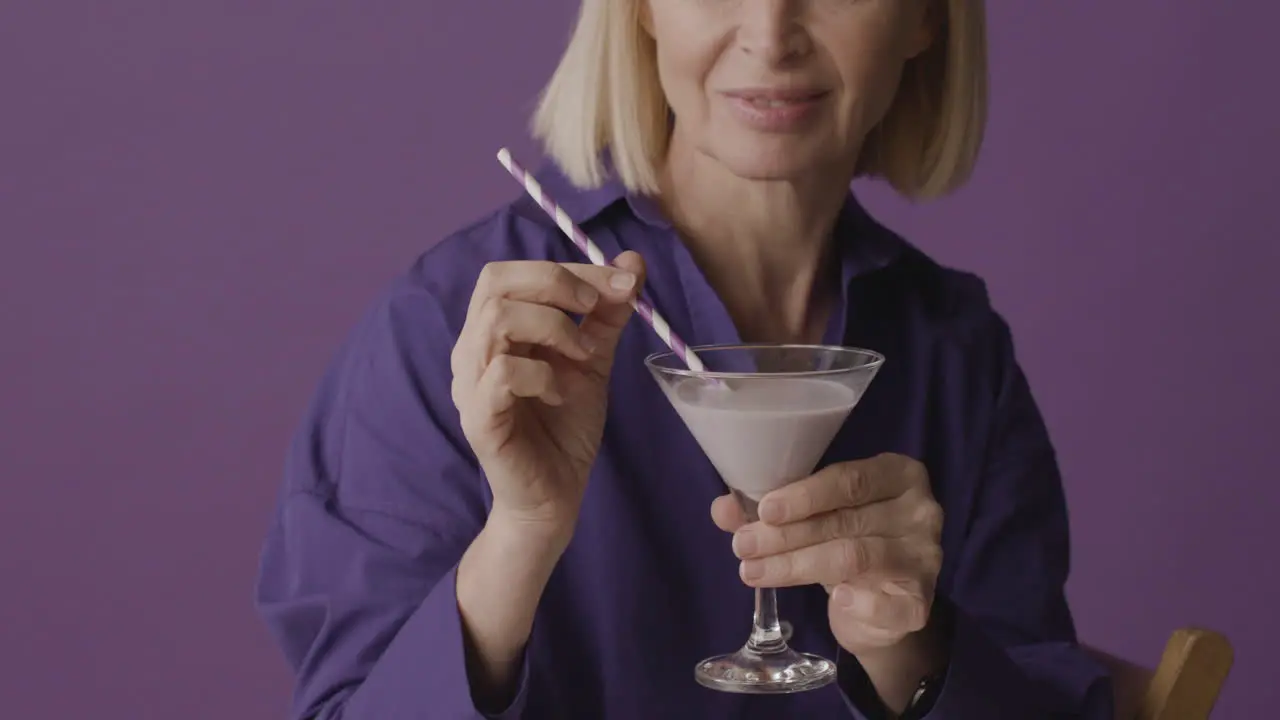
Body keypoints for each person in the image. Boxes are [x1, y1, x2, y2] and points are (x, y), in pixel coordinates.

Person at [254, 0, 1115, 717]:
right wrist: (518, 536)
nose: (772, 34)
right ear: (641, 13)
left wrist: (911, 648)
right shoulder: (452, 331)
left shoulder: (957, 351)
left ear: (924, 16)